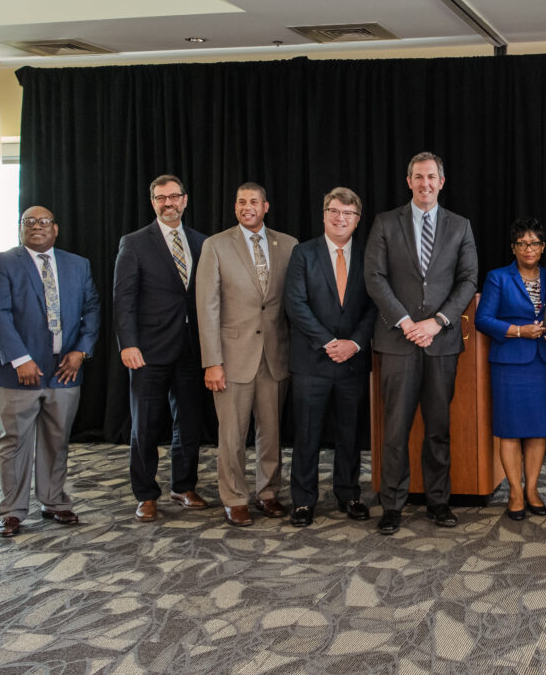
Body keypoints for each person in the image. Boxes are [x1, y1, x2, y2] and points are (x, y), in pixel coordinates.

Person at [364, 152, 479, 535]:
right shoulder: (385, 223)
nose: (425, 183)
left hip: (441, 342)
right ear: (408, 181)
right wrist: (407, 322)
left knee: (438, 429)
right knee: (394, 429)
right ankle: (392, 505)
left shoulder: (460, 226)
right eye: (418, 177)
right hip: (397, 342)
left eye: (432, 177)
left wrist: (437, 322)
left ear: (442, 182)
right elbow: (375, 278)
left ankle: (438, 501)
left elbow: (467, 280)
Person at [0, 206, 100, 537]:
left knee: (57, 439)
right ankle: (12, 511)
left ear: (56, 229)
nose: (36, 226)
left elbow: (92, 310)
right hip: (18, 374)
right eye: (28, 222)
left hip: (64, 371)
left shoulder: (78, 265)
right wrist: (21, 359)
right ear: (20, 229)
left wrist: (80, 352)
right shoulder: (1, 263)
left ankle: (54, 501)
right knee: (15, 441)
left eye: (43, 221)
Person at [196, 182, 298, 527]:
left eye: (253, 201)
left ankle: (268, 493)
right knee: (232, 435)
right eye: (241, 201)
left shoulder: (287, 245)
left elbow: (292, 303)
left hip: (274, 355)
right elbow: (206, 307)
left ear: (265, 206)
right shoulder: (216, 245)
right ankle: (235, 498)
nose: (247, 207)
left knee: (271, 432)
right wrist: (212, 361)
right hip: (232, 356)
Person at [113, 174, 210, 522]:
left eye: (173, 197)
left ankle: (183, 486)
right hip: (148, 351)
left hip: (191, 349)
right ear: (153, 203)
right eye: (160, 198)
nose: (168, 203)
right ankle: (146, 493)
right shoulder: (135, 243)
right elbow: (123, 298)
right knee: (145, 425)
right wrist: (128, 344)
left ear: (185, 200)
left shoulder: (202, 243)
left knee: (189, 423)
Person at [284, 187, 377, 527]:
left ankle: (348, 494)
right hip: (313, 361)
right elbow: (295, 304)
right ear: (324, 214)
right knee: (307, 433)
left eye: (348, 214)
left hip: (352, 360)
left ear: (357, 219)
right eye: (335, 211)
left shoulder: (369, 256)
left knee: (350, 434)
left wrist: (353, 343)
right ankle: (304, 501)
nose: (341, 218)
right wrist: (329, 342)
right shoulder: (303, 253)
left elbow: (373, 308)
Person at [475, 217, 546, 521]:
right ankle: (515, 490)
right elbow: (483, 320)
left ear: (543, 247)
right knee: (511, 431)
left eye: (535, 243)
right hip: (509, 365)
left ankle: (532, 490)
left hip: (543, 363)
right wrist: (518, 330)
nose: (529, 248)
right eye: (523, 243)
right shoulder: (498, 278)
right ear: (513, 248)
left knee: (538, 431)